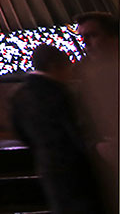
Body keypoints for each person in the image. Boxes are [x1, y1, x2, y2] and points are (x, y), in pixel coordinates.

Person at [10, 44, 106, 214]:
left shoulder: (19, 95)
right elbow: (77, 131)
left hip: (47, 166)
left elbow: (21, 133)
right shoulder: (60, 93)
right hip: (77, 169)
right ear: (55, 66)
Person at [73, 11, 118, 209]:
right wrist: (98, 146)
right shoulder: (82, 75)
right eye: (83, 37)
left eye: (92, 35)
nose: (86, 44)